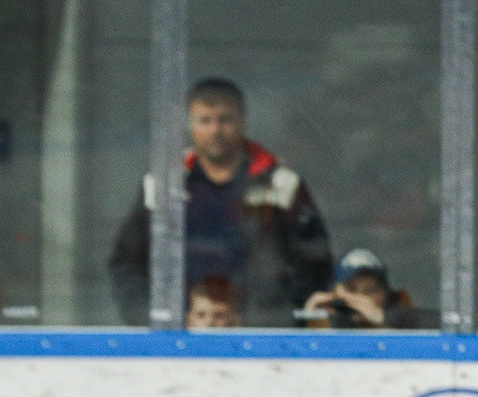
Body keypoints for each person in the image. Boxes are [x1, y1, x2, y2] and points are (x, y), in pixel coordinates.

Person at [108, 78, 334, 328]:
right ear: (189, 125)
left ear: (242, 121)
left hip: (262, 339)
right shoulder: (162, 186)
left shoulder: (282, 185)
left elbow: (315, 262)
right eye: (204, 121)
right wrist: (149, 319)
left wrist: (284, 319)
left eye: (225, 119)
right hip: (179, 341)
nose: (215, 130)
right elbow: (127, 264)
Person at [300, 249, 428, 330]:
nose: (361, 298)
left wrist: (383, 319)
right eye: (351, 289)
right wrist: (309, 321)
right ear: (333, 292)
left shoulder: (404, 318)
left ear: (386, 295)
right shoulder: (324, 318)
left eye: (371, 291)